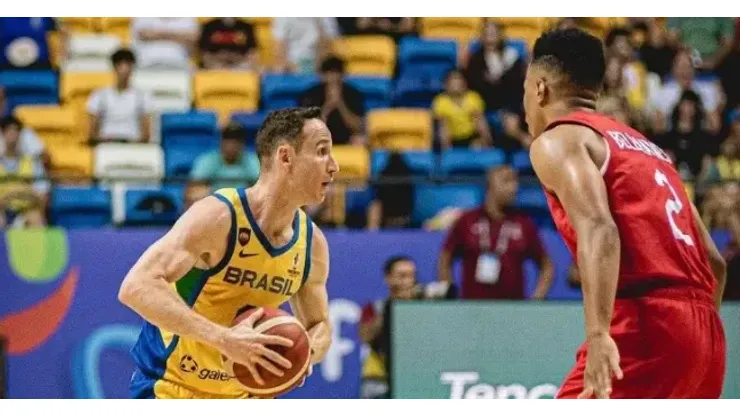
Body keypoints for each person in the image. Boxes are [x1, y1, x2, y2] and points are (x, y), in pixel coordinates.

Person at [523, 28, 727, 399]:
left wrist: (599, 334)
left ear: (539, 88)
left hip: (646, 325)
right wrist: (692, 339)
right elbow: (715, 264)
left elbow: (599, 228)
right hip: (707, 335)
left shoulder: (559, 139)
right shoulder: (652, 153)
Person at [118, 107, 339, 399]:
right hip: (171, 387)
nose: (334, 166)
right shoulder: (219, 217)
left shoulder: (313, 244)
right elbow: (136, 287)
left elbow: (320, 324)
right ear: (286, 157)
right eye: (322, 152)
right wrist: (223, 339)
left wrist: (305, 353)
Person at [437, 165, 553, 300]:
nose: (514, 188)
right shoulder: (467, 221)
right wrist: (449, 294)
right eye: (507, 181)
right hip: (472, 309)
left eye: (515, 182)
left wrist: (537, 299)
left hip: (512, 309)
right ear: (490, 186)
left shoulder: (523, 223)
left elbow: (546, 265)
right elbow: (445, 259)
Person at [87, 48, 154, 143]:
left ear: (132, 68)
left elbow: (146, 134)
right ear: (114, 67)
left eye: (128, 65)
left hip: (133, 146)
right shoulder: (99, 95)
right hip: (106, 146)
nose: (124, 70)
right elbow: (92, 133)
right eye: (120, 65)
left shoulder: (143, 96)